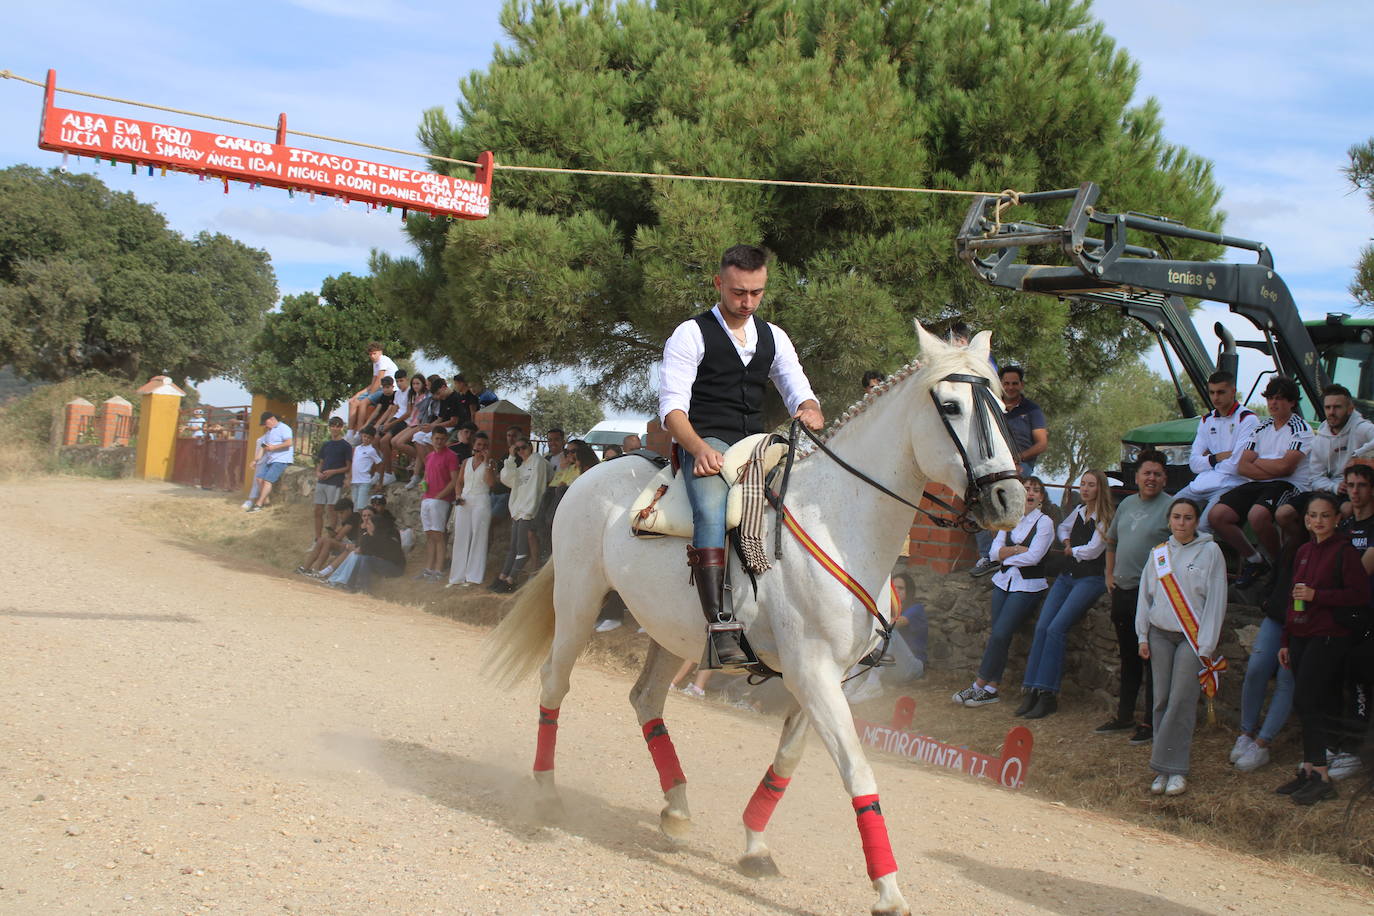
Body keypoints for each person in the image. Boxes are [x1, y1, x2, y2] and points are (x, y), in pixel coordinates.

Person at [659, 244, 823, 668]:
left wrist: (809, 407)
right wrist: (696, 448)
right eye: (738, 292)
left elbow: (795, 385)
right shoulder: (690, 334)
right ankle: (718, 624)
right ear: (719, 284)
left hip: (759, 444)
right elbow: (672, 408)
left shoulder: (775, 336)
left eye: (756, 293)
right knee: (712, 512)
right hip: (706, 440)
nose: (747, 302)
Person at [1277, 492, 1372, 804]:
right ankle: (1308, 769)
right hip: (1302, 633)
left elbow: (1358, 595)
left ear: (1336, 519)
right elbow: (1294, 600)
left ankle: (1321, 773)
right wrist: (1286, 640)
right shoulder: (1304, 550)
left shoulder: (1343, 552)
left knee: (1307, 698)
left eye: (1325, 515)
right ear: (1306, 519)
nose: (1318, 521)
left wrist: (1320, 596)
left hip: (1329, 635)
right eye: (1313, 515)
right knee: (1305, 701)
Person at [1135, 498, 1228, 796]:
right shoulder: (1159, 553)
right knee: (1161, 700)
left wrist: (1207, 644)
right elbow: (1145, 596)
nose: (1182, 523)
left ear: (1196, 521)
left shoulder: (1211, 552)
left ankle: (1175, 768)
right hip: (1160, 633)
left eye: (1188, 518)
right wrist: (1142, 636)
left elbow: (1217, 600)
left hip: (1192, 638)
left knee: (1181, 701)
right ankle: (1161, 769)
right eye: (1176, 517)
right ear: (1169, 520)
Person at [1017, 469, 1116, 719]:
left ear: (1100, 489)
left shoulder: (1105, 517)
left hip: (1090, 579)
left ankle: (1047, 693)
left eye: (1090, 485)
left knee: (1056, 629)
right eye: (1082, 484)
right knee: (1041, 627)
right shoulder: (1080, 512)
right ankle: (1031, 689)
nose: (1084, 489)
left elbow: (1094, 550)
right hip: (1067, 576)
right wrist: (1068, 543)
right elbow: (1062, 528)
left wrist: (1075, 550)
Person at [953, 477, 1055, 707]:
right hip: (1003, 582)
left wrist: (1008, 554)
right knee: (999, 635)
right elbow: (994, 554)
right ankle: (992, 688)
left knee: (1000, 634)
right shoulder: (1011, 517)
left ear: (1041, 498)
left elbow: (1035, 557)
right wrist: (1017, 549)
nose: (1030, 493)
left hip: (1028, 586)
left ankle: (979, 683)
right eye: (1026, 488)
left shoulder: (1045, 523)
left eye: (1036, 490)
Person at [1208, 375, 1314, 588]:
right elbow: (1242, 465)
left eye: (1280, 398)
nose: (1273, 403)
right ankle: (1256, 560)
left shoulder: (1301, 430)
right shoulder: (1261, 427)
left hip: (1290, 485)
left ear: (1292, 402)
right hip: (1260, 483)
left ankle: (1280, 565)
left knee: (1258, 515)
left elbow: (1287, 468)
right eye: (1270, 398)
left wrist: (1259, 462)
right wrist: (1273, 466)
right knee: (1217, 515)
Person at [1100, 449, 1173, 744]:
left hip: (1154, 598)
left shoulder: (1172, 507)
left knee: (1152, 660)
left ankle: (1150, 723)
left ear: (1164, 477)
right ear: (1137, 476)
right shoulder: (1127, 503)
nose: (1151, 478)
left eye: (1157, 474)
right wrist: (1109, 574)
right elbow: (1113, 541)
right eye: (1147, 473)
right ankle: (1124, 716)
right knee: (1129, 656)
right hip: (1123, 590)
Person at [1174, 371, 1259, 530]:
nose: (1215, 397)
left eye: (1221, 392)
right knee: (1169, 513)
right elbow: (1193, 463)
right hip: (1201, 484)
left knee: (1202, 527)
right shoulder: (1207, 420)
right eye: (1212, 392)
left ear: (1233, 391)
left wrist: (1209, 460)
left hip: (1231, 484)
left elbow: (1237, 466)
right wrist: (1217, 458)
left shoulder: (1247, 419)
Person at [492, 437, 551, 592]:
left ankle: (511, 579)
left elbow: (536, 487)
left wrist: (530, 509)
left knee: (522, 549)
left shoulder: (537, 461)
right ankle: (503, 576)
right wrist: (511, 457)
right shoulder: (522, 466)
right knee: (513, 547)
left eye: (523, 447)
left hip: (528, 511)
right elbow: (506, 478)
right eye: (517, 449)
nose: (521, 451)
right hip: (518, 511)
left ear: (530, 447)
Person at [447, 432, 499, 588]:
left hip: (481, 500)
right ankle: (456, 577)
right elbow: (459, 482)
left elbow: (490, 484)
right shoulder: (466, 462)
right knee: (461, 537)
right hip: (465, 500)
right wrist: (457, 495)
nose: (481, 448)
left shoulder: (491, 464)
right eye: (479, 445)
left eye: (484, 445)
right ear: (474, 446)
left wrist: (487, 462)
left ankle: (473, 576)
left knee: (479, 536)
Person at [327, 504, 405, 593]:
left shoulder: (386, 537)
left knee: (365, 559)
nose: (367, 525)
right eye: (364, 517)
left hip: (395, 568)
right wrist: (366, 534)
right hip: (381, 563)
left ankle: (364, 589)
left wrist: (369, 541)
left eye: (369, 524)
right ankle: (349, 585)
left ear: (376, 525)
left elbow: (367, 551)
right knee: (361, 557)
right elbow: (363, 549)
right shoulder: (372, 535)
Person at [416, 427, 461, 581]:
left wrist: (439, 496)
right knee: (429, 534)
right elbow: (427, 475)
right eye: (437, 438)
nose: (439, 441)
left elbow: (454, 480)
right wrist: (423, 485)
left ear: (446, 439)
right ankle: (428, 569)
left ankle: (439, 570)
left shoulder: (451, 456)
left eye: (442, 439)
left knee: (439, 535)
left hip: (441, 501)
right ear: (432, 439)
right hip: (427, 499)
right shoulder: (429, 456)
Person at [999, 366, 1047, 476]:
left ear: (1022, 385)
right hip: (995, 461)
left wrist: (1018, 457)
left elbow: (1042, 443)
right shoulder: (991, 406)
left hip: (1022, 464)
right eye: (1006, 383)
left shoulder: (1032, 410)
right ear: (1001, 385)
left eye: (1015, 383)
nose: (1010, 387)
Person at [312, 417, 352, 543]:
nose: (334, 428)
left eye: (337, 426)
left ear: (341, 428)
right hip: (322, 481)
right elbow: (321, 461)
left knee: (332, 510)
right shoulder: (326, 444)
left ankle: (330, 539)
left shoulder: (346, 446)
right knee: (318, 510)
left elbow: (348, 466)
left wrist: (333, 472)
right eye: (332, 426)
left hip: (335, 481)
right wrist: (318, 472)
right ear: (329, 427)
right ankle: (317, 538)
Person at [298, 497, 359, 575]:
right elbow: (337, 533)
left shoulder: (354, 517)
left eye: (341, 513)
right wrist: (332, 533)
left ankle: (314, 568)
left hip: (354, 545)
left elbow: (338, 537)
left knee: (327, 541)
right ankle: (305, 568)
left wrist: (333, 536)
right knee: (322, 540)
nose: (340, 516)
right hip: (349, 544)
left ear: (349, 510)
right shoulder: (349, 519)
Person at [348, 342, 398, 436]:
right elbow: (372, 383)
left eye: (374, 353)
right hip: (379, 388)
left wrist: (369, 396)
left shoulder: (383, 360)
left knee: (363, 403)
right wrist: (358, 395)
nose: (372, 356)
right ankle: (349, 432)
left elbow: (379, 380)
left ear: (380, 352)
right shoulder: (375, 363)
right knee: (352, 402)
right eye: (370, 354)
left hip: (388, 389)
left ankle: (359, 432)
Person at [248, 412, 294, 512]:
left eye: (265, 423)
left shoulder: (284, 428)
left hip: (281, 459)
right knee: (259, 479)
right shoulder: (269, 432)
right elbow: (263, 447)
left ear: (272, 419)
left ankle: (258, 504)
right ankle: (266, 501)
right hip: (271, 460)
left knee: (267, 481)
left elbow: (289, 442)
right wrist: (255, 460)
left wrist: (274, 447)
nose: (265, 425)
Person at [349, 426, 382, 508]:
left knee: (361, 506)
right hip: (355, 481)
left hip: (364, 481)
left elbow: (380, 464)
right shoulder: (357, 448)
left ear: (372, 439)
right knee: (354, 505)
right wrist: (349, 477)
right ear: (361, 436)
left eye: (369, 438)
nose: (366, 439)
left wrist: (377, 477)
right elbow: (354, 463)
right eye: (365, 436)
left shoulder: (371, 450)